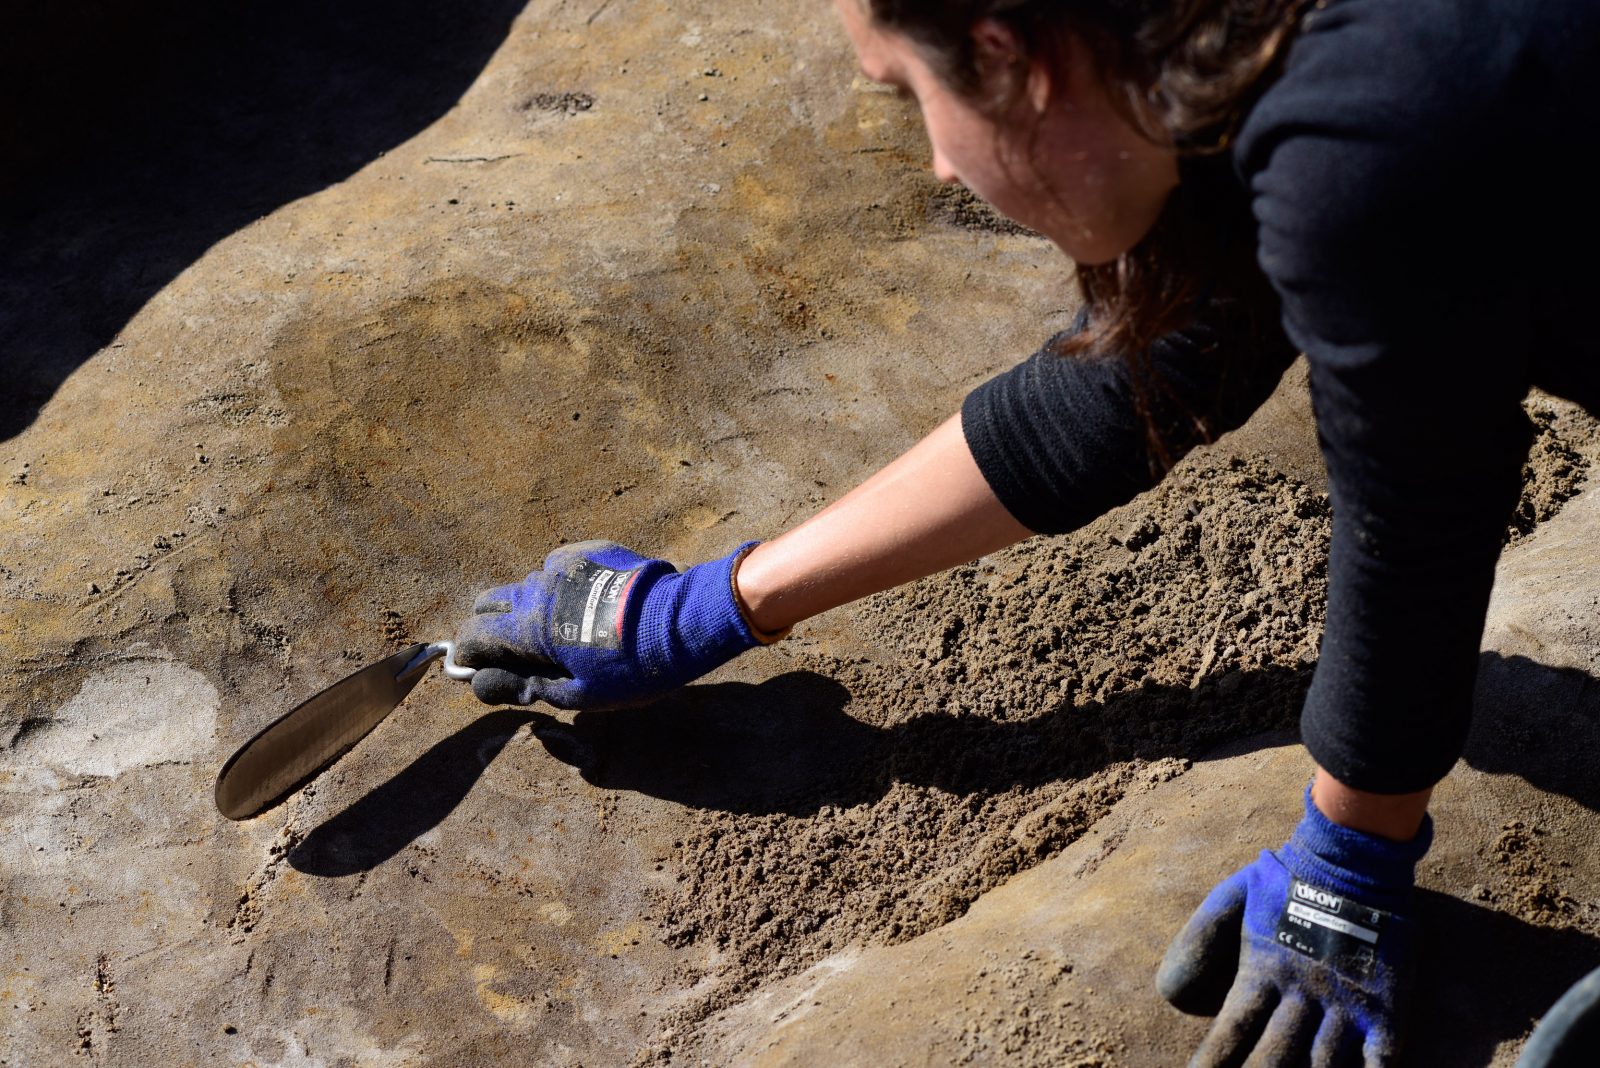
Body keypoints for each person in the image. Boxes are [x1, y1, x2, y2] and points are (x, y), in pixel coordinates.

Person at [453, 0, 1600, 1062]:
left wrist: (1352, 852)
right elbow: (1143, 377)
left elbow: (1419, 522)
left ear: (1012, 56)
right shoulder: (1252, 52)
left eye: (909, 94)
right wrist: (708, 606)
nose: (940, 163)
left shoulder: (1374, 133)